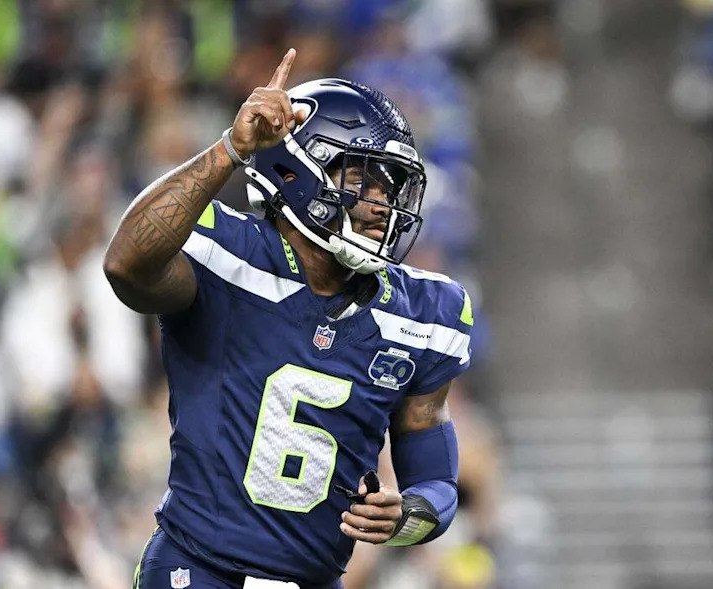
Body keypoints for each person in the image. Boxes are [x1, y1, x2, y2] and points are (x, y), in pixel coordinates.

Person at [103, 49, 472, 589]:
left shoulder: (421, 313)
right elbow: (125, 264)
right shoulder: (229, 255)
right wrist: (231, 148)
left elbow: (437, 483)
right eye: (363, 181)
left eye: (390, 188)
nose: (380, 205)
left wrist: (405, 518)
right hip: (197, 570)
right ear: (300, 171)